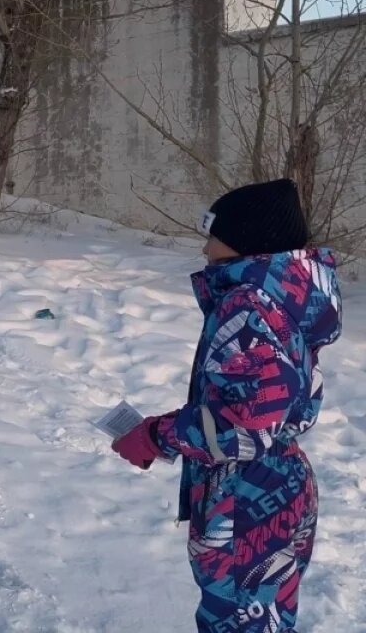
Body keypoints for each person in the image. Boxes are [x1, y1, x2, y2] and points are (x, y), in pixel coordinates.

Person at [111, 179, 342, 633]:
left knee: (239, 622)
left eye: (212, 233)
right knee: (261, 620)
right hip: (279, 483)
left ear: (247, 241)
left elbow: (243, 427)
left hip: (247, 500)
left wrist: (156, 436)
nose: (203, 245)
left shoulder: (249, 306)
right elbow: (251, 404)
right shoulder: (284, 294)